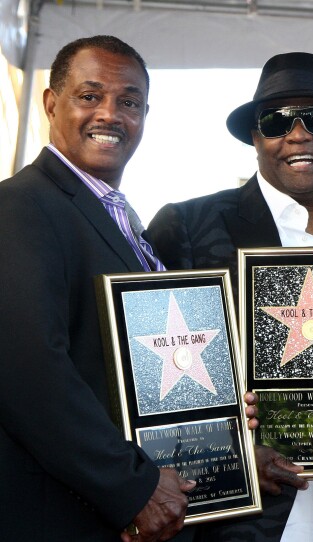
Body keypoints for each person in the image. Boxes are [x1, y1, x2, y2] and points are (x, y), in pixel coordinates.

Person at [146, 52, 313, 542]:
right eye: (277, 121)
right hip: (241, 520)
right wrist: (233, 455)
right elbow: (149, 385)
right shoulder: (190, 227)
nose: (299, 134)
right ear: (255, 138)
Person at [0, 36, 194, 541]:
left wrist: (224, 420)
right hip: (57, 516)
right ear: (50, 103)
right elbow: (29, 371)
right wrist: (133, 488)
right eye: (90, 96)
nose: (110, 114)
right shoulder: (20, 206)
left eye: (129, 102)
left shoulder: (121, 217)